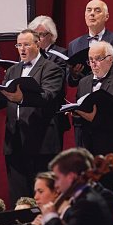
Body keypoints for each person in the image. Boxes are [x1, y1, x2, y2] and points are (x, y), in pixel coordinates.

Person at [0, 29, 64, 205]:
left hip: (41, 142)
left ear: (38, 44)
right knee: (19, 196)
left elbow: (48, 96)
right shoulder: (13, 70)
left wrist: (22, 98)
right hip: (14, 142)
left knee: (43, 196)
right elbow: (4, 100)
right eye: (19, 45)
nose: (22, 49)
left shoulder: (51, 68)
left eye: (26, 44)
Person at [75, 41, 113, 189]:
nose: (93, 64)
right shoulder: (83, 82)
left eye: (98, 59)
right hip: (90, 151)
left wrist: (95, 119)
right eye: (90, 60)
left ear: (110, 59)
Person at [28, 15, 70, 162]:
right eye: (35, 34)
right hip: (30, 113)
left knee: (50, 161)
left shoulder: (60, 54)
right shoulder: (27, 54)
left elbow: (56, 83)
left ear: (51, 36)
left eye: (42, 34)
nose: (38, 38)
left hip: (52, 112)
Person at [67, 0, 113, 87]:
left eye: (97, 11)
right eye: (89, 10)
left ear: (106, 17)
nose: (92, 13)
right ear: (85, 15)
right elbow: (70, 82)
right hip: (85, 92)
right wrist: (74, 75)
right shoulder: (74, 45)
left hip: (110, 91)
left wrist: (98, 73)